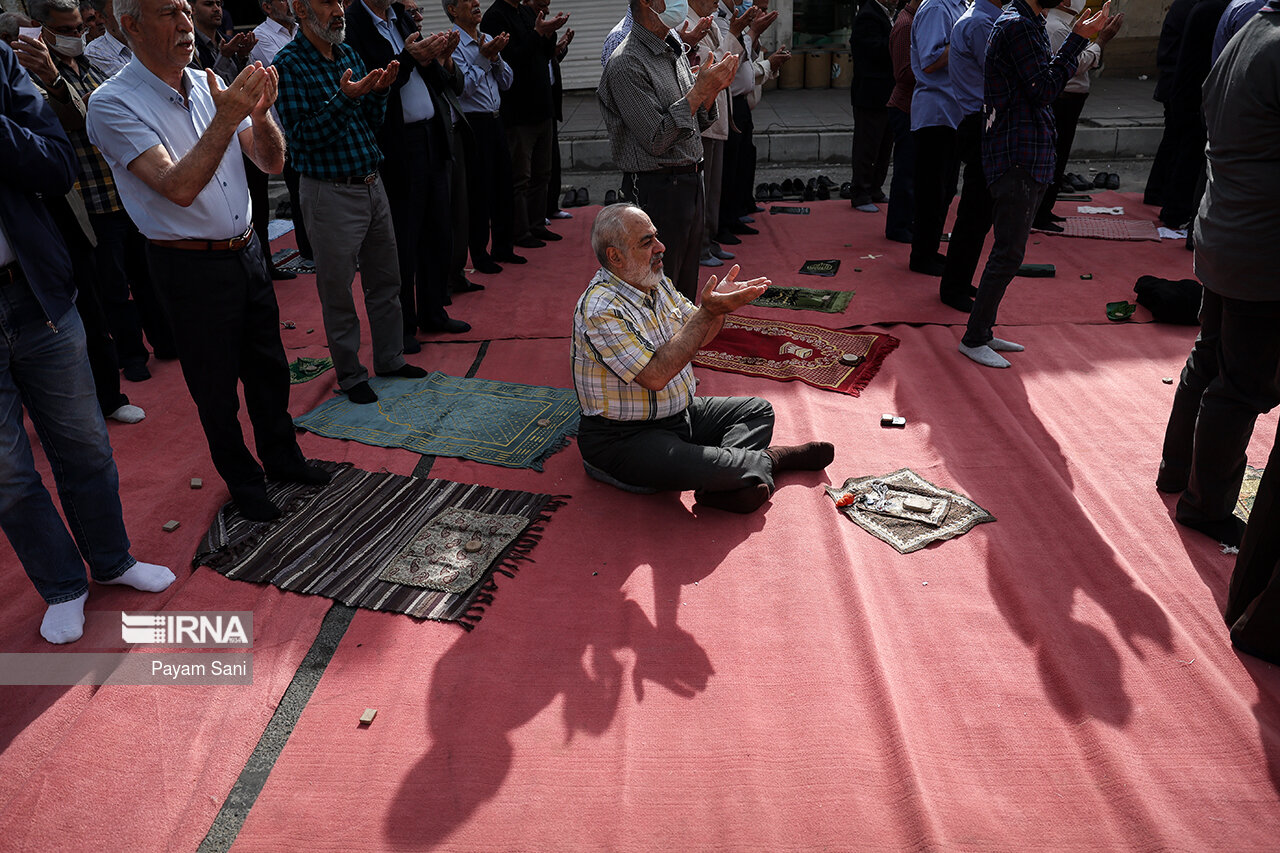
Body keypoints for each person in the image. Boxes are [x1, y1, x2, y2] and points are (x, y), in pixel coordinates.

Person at [87, 0, 330, 519]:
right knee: (215, 388)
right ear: (130, 25)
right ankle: (244, 483)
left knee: (269, 370)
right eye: (168, 14)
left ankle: (283, 458)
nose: (185, 25)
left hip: (246, 251)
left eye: (185, 12)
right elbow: (177, 187)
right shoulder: (111, 104)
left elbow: (270, 160)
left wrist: (261, 115)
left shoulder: (205, 82)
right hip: (187, 266)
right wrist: (227, 116)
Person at [1, 40, 174, 645]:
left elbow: (56, 163)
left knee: (85, 446)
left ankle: (113, 560)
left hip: (35, 295)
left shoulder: (1, 61)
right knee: (8, 473)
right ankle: (62, 586)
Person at [572, 204, 835, 514]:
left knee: (756, 410)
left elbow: (698, 333)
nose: (660, 247)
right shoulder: (601, 308)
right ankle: (774, 459)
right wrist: (709, 311)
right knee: (697, 458)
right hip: (624, 437)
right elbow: (656, 376)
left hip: (678, 415)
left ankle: (722, 483)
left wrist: (719, 307)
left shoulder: (654, 281)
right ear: (615, 256)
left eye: (655, 237)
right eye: (646, 242)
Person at [1156, 0, 1280, 549]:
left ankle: (1176, 471)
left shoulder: (1253, 26)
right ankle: (1205, 506)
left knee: (1209, 357)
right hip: (1260, 245)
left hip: (1224, 228)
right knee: (1241, 384)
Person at [273, 0, 426, 405]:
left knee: (386, 280)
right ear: (301, 11)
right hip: (330, 191)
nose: (338, 9)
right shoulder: (288, 64)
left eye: (340, 1)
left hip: (371, 182)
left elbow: (369, 123)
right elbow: (302, 138)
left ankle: (390, 359)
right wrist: (345, 98)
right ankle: (350, 374)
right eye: (327, 3)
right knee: (338, 290)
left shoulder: (349, 53)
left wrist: (378, 93)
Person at [18, 0, 177, 381]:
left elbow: (116, 111)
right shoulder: (31, 79)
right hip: (87, 202)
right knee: (112, 289)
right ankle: (131, 355)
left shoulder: (88, 66)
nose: (79, 36)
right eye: (69, 30)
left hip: (124, 191)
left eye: (81, 28)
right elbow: (72, 120)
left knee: (147, 276)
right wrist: (67, 90)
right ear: (43, 31)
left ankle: (166, 341)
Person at [957, 0, 1111, 369]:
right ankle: (974, 337)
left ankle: (982, 330)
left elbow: (1039, 88)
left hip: (1025, 150)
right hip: (1017, 153)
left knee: (1009, 250)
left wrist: (1077, 39)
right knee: (1008, 251)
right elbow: (1043, 89)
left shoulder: (1027, 21)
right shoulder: (1018, 25)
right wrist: (1076, 41)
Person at [345, 0, 471, 347]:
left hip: (431, 134)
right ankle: (402, 325)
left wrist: (436, 55)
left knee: (437, 230)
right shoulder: (355, 23)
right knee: (403, 238)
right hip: (397, 143)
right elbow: (373, 82)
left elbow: (429, 74)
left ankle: (434, 310)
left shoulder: (398, 16)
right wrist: (410, 56)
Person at [597, 0, 739, 302]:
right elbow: (657, 138)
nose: (681, 3)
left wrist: (709, 92)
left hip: (688, 181)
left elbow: (696, 119)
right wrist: (698, 92)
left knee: (684, 285)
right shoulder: (626, 62)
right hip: (656, 188)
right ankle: (657, 348)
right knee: (657, 285)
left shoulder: (671, 47)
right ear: (648, 3)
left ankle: (680, 344)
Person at [480, 0, 567, 249]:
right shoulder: (495, 17)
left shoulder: (525, 13)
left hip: (542, 106)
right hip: (518, 110)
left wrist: (549, 34)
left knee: (543, 172)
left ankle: (538, 223)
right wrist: (538, 33)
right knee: (521, 176)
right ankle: (520, 230)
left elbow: (543, 53)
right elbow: (511, 60)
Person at [933, 0, 1000, 313]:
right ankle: (954, 286)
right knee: (974, 213)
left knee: (979, 214)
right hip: (980, 121)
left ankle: (958, 281)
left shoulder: (982, 19)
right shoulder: (979, 23)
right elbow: (1002, 72)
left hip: (981, 119)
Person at [446, 0, 522, 273]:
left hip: (496, 119)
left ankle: (504, 246)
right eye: (467, 1)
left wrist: (495, 57)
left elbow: (508, 82)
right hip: (473, 123)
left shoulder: (488, 39)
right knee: (478, 190)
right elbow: (462, 88)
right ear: (453, 9)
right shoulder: (451, 44)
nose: (476, 4)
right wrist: (482, 58)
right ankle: (479, 254)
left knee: (503, 184)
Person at [1032, 0, 1120, 231]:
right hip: (1062, 100)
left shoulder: (1065, 24)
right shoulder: (1055, 27)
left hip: (1070, 99)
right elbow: (1076, 63)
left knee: (1059, 158)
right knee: (1053, 157)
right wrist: (1100, 41)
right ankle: (1038, 214)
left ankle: (1044, 210)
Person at [250, 0, 311, 262]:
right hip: (285, 127)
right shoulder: (260, 36)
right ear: (266, 6)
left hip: (311, 118)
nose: (289, 3)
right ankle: (309, 250)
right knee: (299, 192)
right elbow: (286, 69)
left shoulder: (302, 30)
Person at [907, 0, 964, 276]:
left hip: (953, 111)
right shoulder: (936, 8)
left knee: (946, 189)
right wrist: (967, 42)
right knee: (932, 191)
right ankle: (922, 255)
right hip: (936, 112)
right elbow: (930, 62)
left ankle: (929, 250)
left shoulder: (958, 5)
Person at [1143, 0, 1200, 209]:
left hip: (1173, 81)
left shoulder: (1185, 6)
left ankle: (1157, 190)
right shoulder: (1193, 7)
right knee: (1177, 139)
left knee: (1173, 138)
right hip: (1177, 82)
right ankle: (1161, 192)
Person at [848, 0, 894, 213]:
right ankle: (861, 192)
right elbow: (870, 50)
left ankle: (875, 188)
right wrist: (898, 42)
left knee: (884, 145)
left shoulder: (888, 14)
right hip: (871, 92)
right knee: (868, 145)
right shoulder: (869, 15)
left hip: (886, 91)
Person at [883, 0, 917, 244]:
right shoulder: (906, 24)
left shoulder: (911, 20)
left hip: (909, 105)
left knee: (910, 171)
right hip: (905, 106)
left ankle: (905, 221)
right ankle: (898, 225)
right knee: (906, 170)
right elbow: (903, 73)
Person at [83, 0, 132, 75]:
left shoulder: (148, 37)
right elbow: (136, 82)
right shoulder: (96, 51)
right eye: (118, 7)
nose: (129, 11)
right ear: (101, 16)